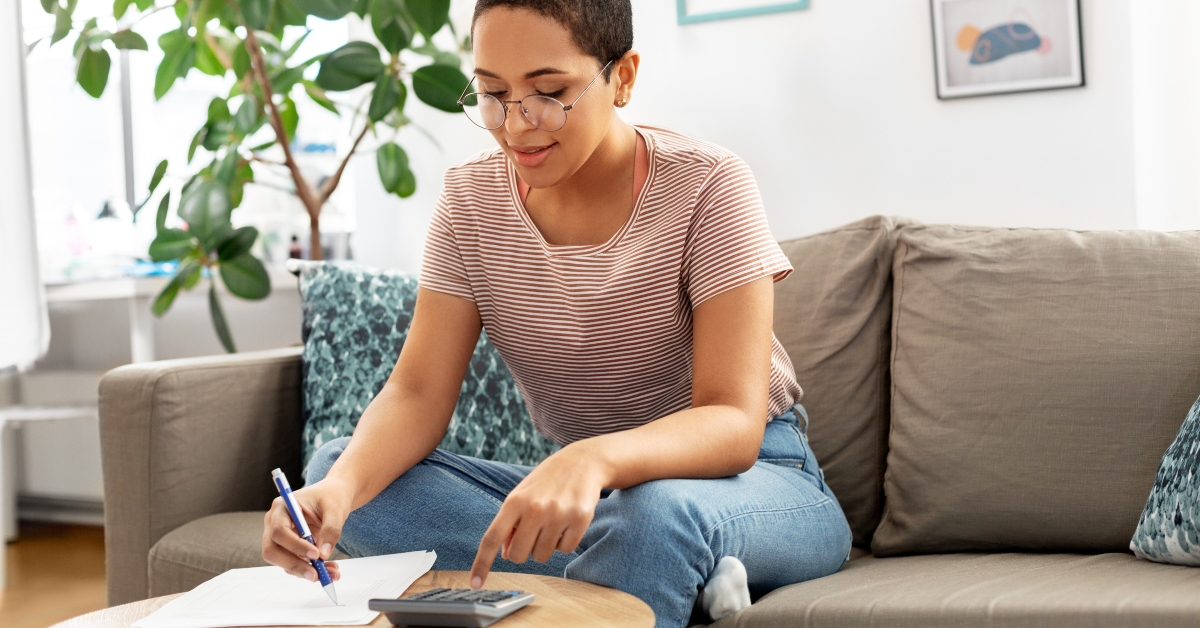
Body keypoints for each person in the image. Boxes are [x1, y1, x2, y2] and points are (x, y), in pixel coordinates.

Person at [261, 1, 851, 625]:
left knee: (655, 515)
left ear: (622, 76)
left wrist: (591, 458)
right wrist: (337, 492)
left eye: (548, 91)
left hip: (755, 483)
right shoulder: (469, 202)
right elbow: (416, 393)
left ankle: (661, 557)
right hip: (596, 501)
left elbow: (733, 421)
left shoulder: (709, 185)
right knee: (342, 473)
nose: (515, 124)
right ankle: (671, 577)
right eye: (492, 93)